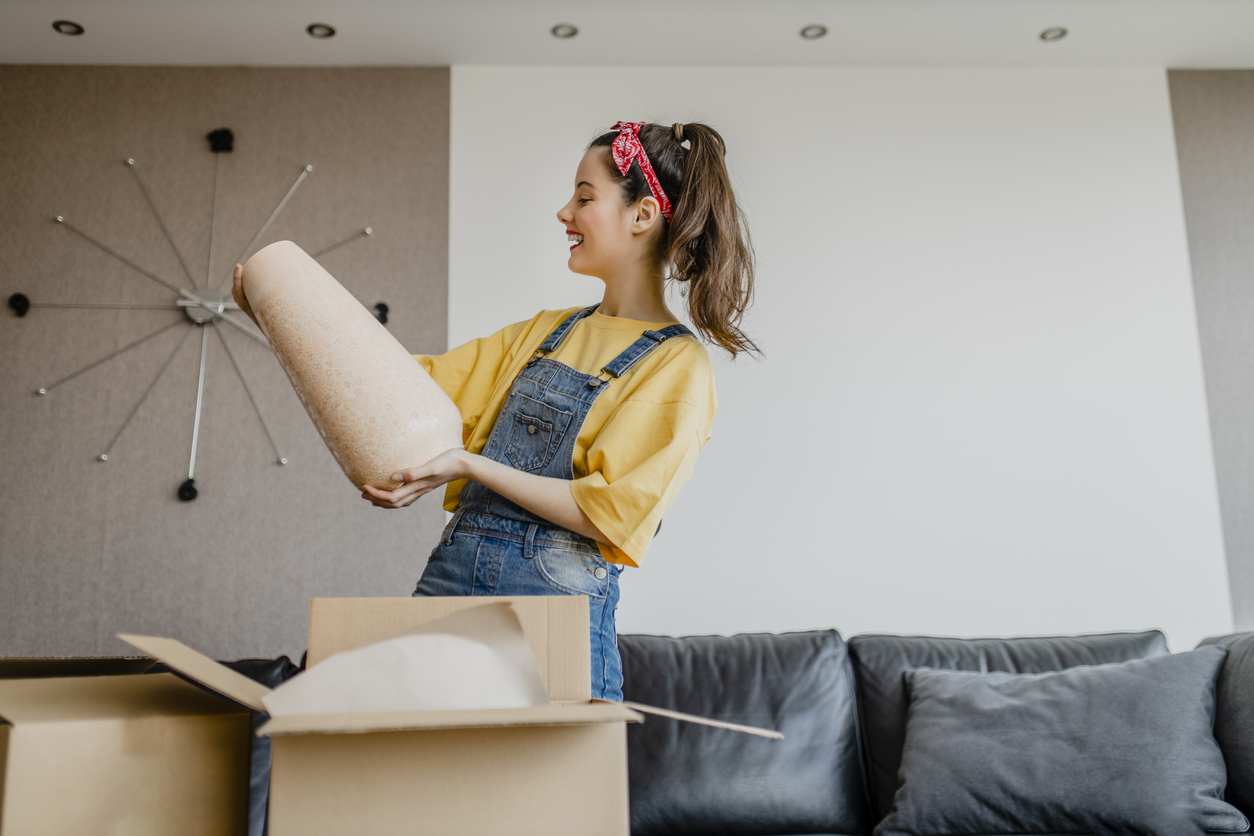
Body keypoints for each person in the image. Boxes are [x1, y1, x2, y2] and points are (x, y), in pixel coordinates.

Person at [236, 121, 756, 701]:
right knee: (413, 775)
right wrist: (282, 314)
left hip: (555, 602)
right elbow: (404, 385)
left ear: (642, 216)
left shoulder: (676, 366)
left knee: (544, 790)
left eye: (585, 197)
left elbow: (608, 513)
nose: (565, 212)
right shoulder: (545, 333)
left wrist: (471, 465)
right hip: (454, 579)